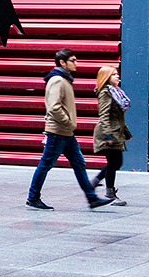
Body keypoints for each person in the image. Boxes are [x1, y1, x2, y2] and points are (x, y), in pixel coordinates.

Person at [26, 48, 111, 210]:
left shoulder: (64, 79)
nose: (76, 63)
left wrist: (69, 125)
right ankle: (33, 198)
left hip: (66, 132)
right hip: (58, 131)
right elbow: (54, 107)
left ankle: (92, 198)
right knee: (46, 164)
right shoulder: (57, 80)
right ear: (62, 62)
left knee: (78, 163)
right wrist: (68, 122)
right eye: (73, 60)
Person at [91, 65, 131, 205]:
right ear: (106, 77)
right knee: (114, 163)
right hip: (108, 132)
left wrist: (125, 131)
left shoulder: (116, 91)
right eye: (114, 74)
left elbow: (118, 116)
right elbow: (104, 115)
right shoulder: (105, 93)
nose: (117, 76)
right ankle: (109, 194)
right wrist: (108, 135)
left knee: (116, 163)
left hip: (116, 131)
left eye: (117, 74)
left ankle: (94, 183)